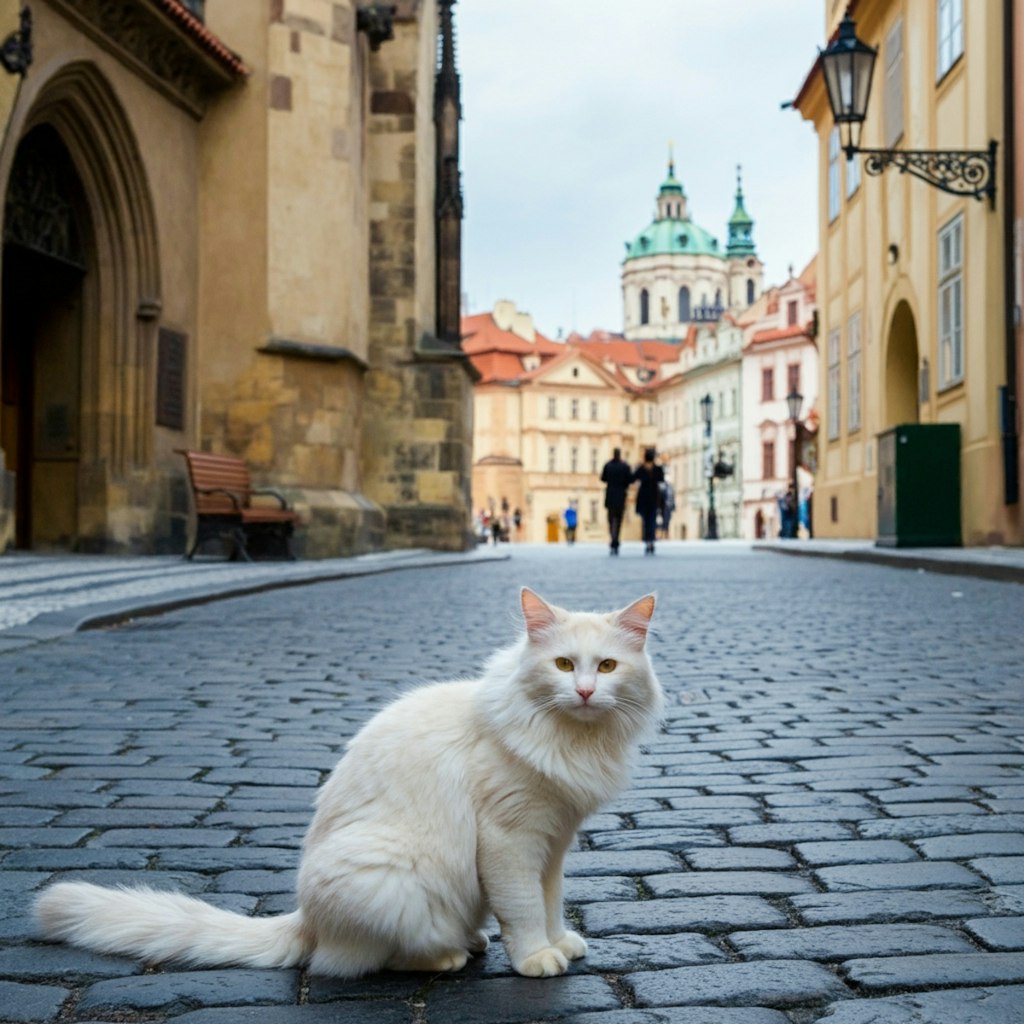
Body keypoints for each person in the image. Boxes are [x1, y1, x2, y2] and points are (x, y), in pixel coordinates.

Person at [600, 447, 632, 555]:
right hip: (621, 496)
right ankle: (616, 539)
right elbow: (629, 480)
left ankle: (613, 538)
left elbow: (603, 478)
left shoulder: (608, 465)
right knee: (618, 520)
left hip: (610, 495)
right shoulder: (624, 466)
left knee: (611, 519)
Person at [632, 447, 664, 554]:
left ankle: (647, 541)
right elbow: (661, 479)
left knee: (646, 521)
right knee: (652, 520)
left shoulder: (641, 468)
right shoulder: (657, 468)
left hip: (644, 497)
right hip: (654, 496)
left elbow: (633, 478)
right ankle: (651, 541)